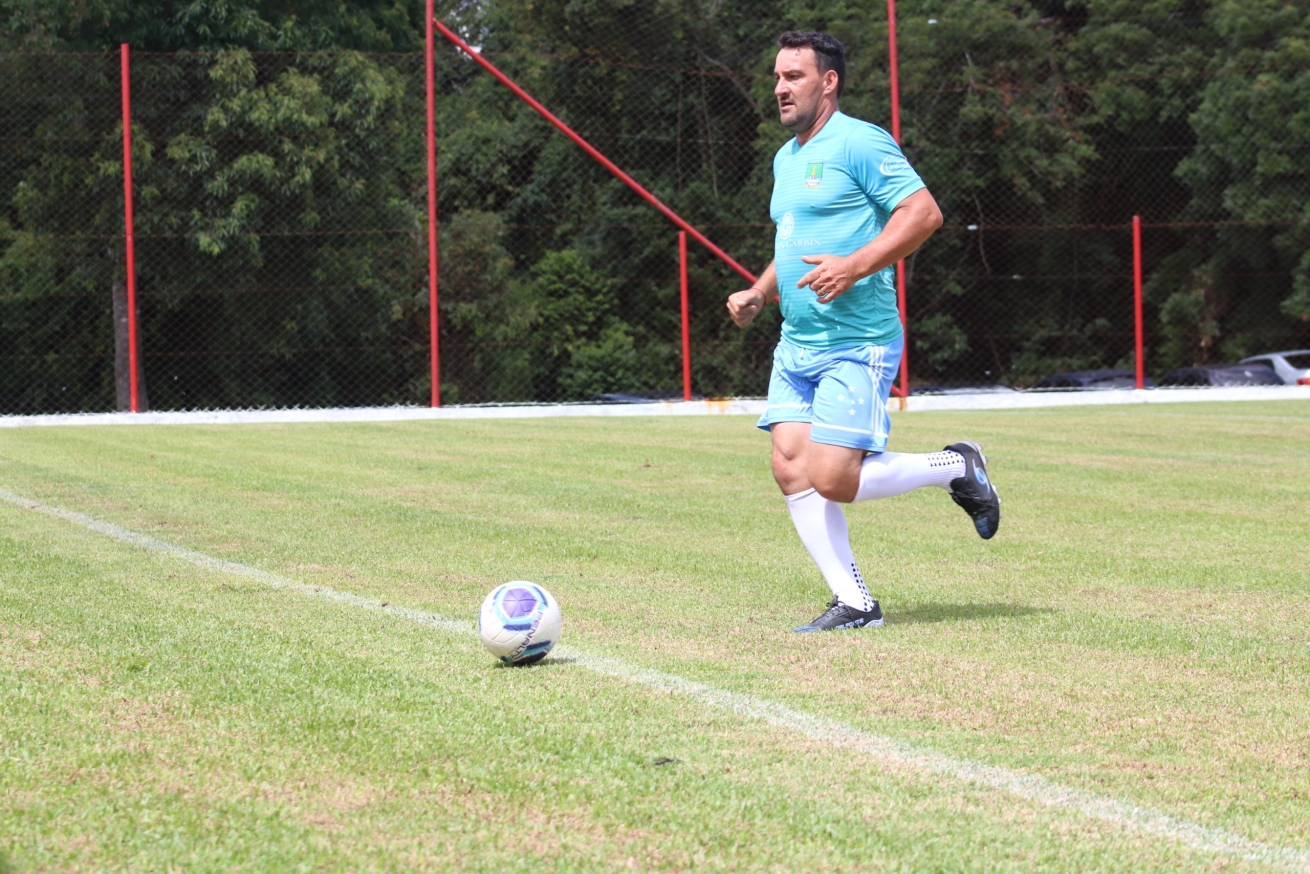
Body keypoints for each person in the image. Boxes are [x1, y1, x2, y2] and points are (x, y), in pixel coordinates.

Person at [726, 31, 1001, 633]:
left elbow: (924, 213)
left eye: (794, 76)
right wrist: (760, 292)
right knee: (791, 469)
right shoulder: (785, 158)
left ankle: (956, 465)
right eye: (777, 77)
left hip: (857, 341)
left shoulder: (860, 141)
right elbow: (794, 241)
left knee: (833, 478)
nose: (780, 88)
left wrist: (854, 266)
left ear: (828, 82)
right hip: (797, 342)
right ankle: (855, 603)